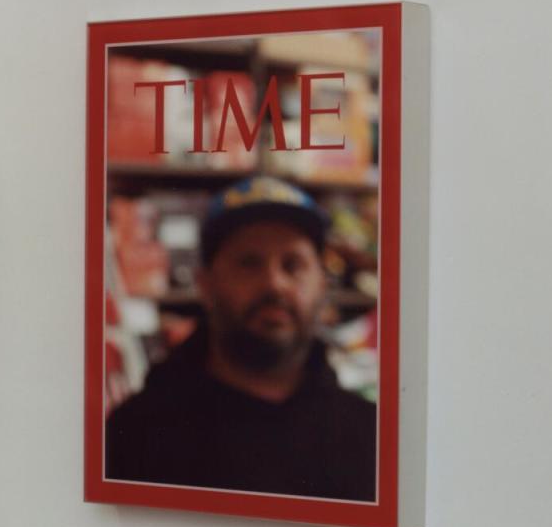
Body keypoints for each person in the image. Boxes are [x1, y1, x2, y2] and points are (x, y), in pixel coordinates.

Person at [105, 176, 377, 501]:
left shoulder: (371, 436)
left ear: (323, 284)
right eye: (249, 263)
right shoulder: (137, 432)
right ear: (205, 284)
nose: (275, 284)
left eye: (293, 265)